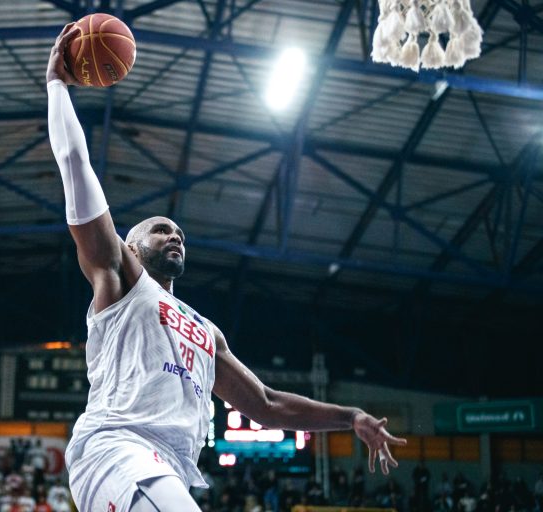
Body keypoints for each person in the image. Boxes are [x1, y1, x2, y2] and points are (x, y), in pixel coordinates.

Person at [46, 23, 407, 512]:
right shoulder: (119, 280)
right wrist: (56, 86)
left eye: (180, 234)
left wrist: (351, 416)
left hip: (167, 465)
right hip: (117, 450)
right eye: (161, 229)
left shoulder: (204, 331)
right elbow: (74, 164)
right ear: (130, 244)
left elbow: (269, 405)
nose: (175, 236)